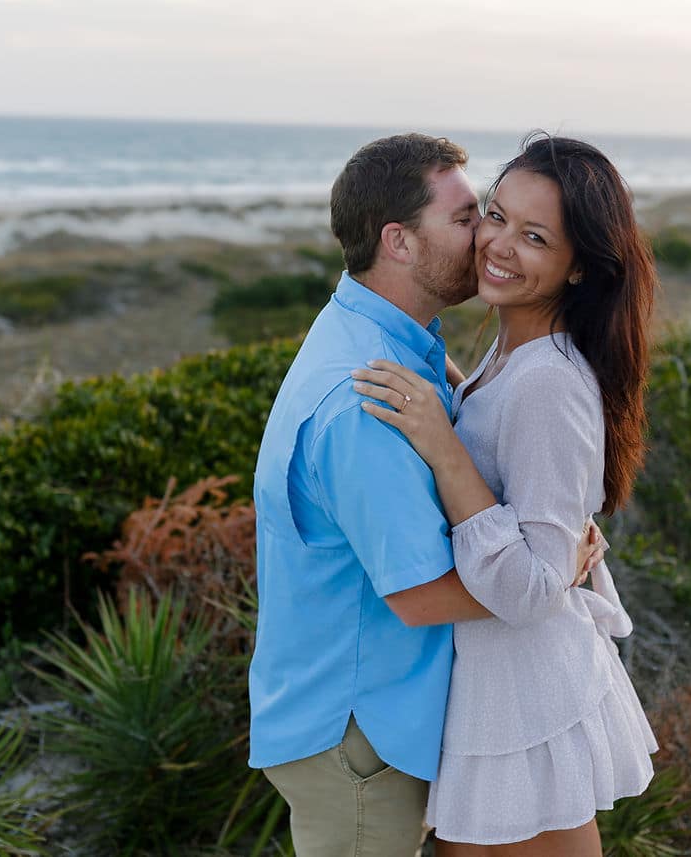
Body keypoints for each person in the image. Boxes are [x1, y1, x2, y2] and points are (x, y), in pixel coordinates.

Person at [247, 132, 601, 857]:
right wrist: (555, 574)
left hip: (368, 718)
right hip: (357, 737)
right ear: (399, 242)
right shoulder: (365, 403)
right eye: (471, 217)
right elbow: (421, 596)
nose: (488, 240)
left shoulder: (393, 340)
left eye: (496, 218)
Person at [352, 134, 659, 855]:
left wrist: (443, 442)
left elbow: (528, 590)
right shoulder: (511, 348)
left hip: (525, 709)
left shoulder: (549, 380)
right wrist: (453, 391)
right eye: (495, 215)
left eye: (535, 237)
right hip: (501, 697)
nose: (498, 244)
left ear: (578, 267)